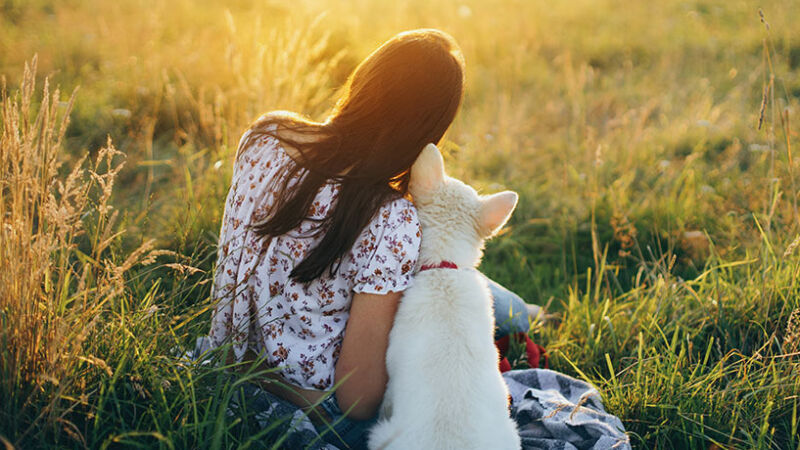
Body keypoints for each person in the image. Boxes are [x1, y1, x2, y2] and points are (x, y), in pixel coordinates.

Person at [207, 29, 543, 449]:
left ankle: (523, 313)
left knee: (449, 276)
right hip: (317, 407)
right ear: (427, 132)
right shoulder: (391, 218)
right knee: (452, 280)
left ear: (365, 79)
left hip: (223, 360)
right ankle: (526, 315)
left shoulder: (266, 134)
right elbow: (359, 401)